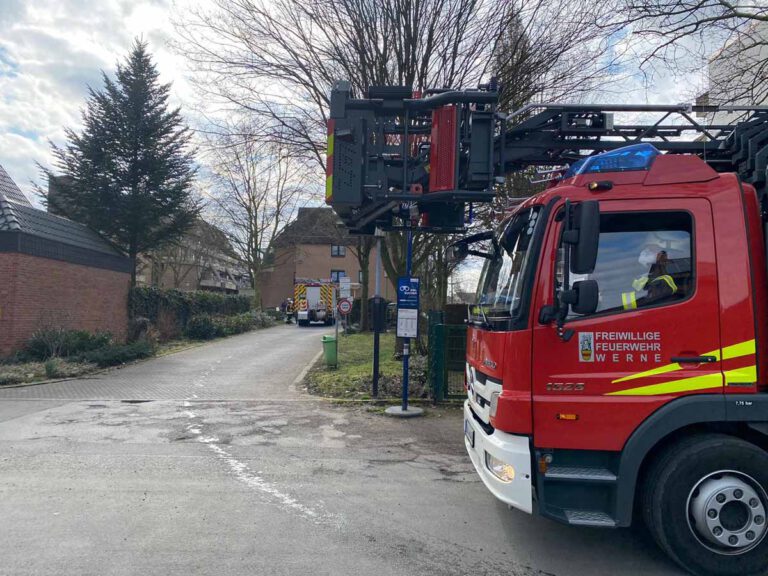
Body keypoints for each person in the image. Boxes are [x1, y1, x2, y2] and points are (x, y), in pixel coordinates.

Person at [621, 244, 678, 310]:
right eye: (648, 249)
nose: (647, 251)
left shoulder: (666, 277)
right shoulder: (636, 276)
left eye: (653, 250)